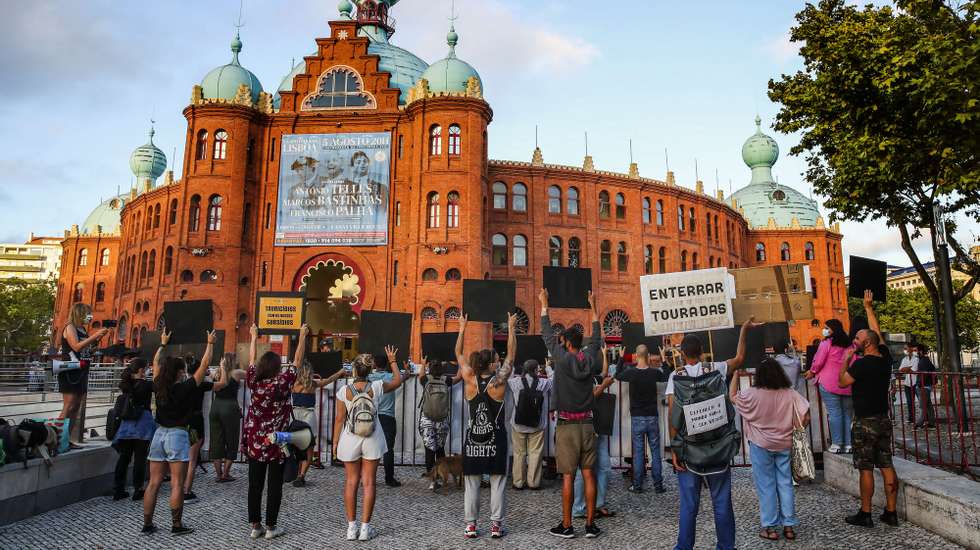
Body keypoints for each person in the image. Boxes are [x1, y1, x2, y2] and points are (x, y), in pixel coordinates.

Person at [667, 317, 758, 550]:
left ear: (682, 352)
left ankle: (684, 547)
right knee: (722, 503)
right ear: (702, 352)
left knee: (689, 506)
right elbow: (739, 359)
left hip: (688, 449)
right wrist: (744, 330)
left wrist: (675, 448)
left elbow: (673, 416)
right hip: (718, 446)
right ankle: (726, 546)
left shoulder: (676, 376)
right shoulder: (716, 368)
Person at [540, 289, 603, 539]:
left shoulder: (562, 359)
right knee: (589, 474)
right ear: (582, 343)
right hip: (588, 424)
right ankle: (590, 524)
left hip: (566, 426)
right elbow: (597, 337)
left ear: (566, 343)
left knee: (568, 476)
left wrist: (545, 304)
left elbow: (546, 335)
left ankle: (567, 525)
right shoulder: (589, 358)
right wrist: (593, 306)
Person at [142, 329, 213, 536]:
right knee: (177, 483)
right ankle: (176, 524)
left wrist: (163, 344)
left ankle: (147, 524)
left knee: (154, 482)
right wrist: (209, 343)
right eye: (182, 370)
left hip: (159, 434)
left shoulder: (158, 385)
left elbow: (155, 362)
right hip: (177, 435)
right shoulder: (185, 388)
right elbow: (204, 366)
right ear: (179, 372)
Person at [730, 358, 810, 541]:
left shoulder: (752, 394)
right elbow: (805, 414)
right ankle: (789, 526)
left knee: (766, 486)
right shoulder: (789, 393)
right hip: (784, 443)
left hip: (760, 444)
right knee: (785, 483)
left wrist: (735, 373)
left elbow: (732, 396)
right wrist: (797, 429)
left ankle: (770, 528)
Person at [241, 324, 308, 540]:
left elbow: (251, 361)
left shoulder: (254, 381)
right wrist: (302, 336)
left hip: (255, 441)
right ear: (278, 368)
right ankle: (271, 527)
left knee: (254, 483)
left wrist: (253, 337)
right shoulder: (282, 383)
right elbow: (297, 362)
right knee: (274, 485)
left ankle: (255, 525)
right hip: (276, 442)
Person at [839, 290, 899, 528]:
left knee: (865, 468)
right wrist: (868, 308)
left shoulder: (861, 365)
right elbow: (878, 334)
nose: (854, 341)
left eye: (857, 339)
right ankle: (891, 512)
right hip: (883, 419)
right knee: (886, 464)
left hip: (865, 422)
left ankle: (865, 513)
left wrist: (846, 359)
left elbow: (842, 381)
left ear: (865, 344)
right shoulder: (884, 359)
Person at [332, 347, 403, 541]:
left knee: (351, 482)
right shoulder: (378, 386)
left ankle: (351, 528)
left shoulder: (343, 390)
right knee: (369, 482)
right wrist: (393, 360)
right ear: (370, 370)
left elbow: (339, 419)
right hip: (373, 436)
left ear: (354, 370)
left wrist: (335, 442)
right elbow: (398, 381)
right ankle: (365, 529)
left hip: (350, 437)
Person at [455, 313, 515, 539]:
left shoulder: (469, 378)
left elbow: (459, 354)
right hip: (496, 439)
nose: (500, 360)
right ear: (492, 363)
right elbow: (512, 355)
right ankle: (496, 525)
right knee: (498, 482)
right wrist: (511, 328)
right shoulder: (498, 382)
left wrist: (462, 328)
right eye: (496, 359)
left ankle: (471, 525)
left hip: (474, 440)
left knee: (472, 482)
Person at [616, 344, 669, 494]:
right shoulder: (654, 373)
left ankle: (637, 485)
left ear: (635, 355)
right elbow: (667, 375)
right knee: (655, 451)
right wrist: (664, 358)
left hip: (637, 417)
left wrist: (621, 357)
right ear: (648, 355)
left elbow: (617, 375)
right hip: (652, 416)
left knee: (638, 453)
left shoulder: (631, 373)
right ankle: (658, 485)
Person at [573, 344, 616, 519]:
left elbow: (604, 373)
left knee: (605, 467)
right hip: (585, 428)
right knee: (583, 470)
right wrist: (605, 385)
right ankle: (579, 507)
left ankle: (598, 504)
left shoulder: (593, 376)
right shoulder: (579, 378)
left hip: (599, 428)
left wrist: (605, 354)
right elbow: (589, 399)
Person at [58, 302, 109, 447]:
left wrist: (96, 341)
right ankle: (55, 439)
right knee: (68, 406)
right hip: (70, 370)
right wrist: (95, 335)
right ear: (79, 313)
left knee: (76, 407)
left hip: (81, 369)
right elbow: (76, 346)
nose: (90, 317)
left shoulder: (82, 330)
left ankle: (66, 440)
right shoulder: (70, 327)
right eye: (88, 314)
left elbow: (85, 350)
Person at [291, 358, 346, 487]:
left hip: (294, 415)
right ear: (310, 372)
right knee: (309, 448)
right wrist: (340, 372)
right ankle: (302, 475)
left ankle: (294, 472)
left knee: (294, 446)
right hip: (308, 416)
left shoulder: (293, 384)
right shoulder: (313, 384)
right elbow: (329, 380)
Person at [804, 318, 854, 453]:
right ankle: (849, 444)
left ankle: (837, 444)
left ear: (833, 329)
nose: (824, 330)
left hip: (828, 382)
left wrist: (812, 371)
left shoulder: (826, 343)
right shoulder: (850, 345)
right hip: (847, 383)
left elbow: (819, 361)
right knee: (846, 414)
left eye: (827, 327)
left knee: (834, 413)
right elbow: (853, 362)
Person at [112, 358, 155, 501]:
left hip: (126, 426)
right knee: (140, 458)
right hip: (142, 425)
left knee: (124, 458)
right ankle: (138, 489)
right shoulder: (147, 385)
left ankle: (118, 490)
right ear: (142, 370)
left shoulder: (126, 385)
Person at [508, 358, 552, 491]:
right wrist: (548, 368)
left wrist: (511, 368)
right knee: (535, 453)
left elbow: (507, 377)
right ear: (535, 369)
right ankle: (533, 482)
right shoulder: (543, 383)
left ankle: (518, 482)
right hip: (537, 425)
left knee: (519, 453)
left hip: (518, 424)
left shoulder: (515, 382)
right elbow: (554, 379)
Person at [418, 358, 462, 486]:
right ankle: (443, 475)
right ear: (442, 371)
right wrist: (460, 363)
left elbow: (420, 375)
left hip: (427, 419)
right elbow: (459, 377)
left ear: (430, 370)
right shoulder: (446, 380)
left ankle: (433, 481)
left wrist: (422, 364)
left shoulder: (425, 380)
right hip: (442, 420)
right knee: (440, 449)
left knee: (429, 450)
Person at [181, 353, 213, 503]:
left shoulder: (182, 385)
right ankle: (186, 491)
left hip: (183, 422)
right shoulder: (202, 385)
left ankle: (179, 488)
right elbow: (222, 384)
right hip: (196, 421)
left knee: (182, 458)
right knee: (192, 460)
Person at [368, 353, 402, 487]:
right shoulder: (390, 377)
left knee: (371, 447)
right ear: (386, 364)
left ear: (375, 365)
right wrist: (395, 362)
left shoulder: (369, 378)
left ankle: (368, 478)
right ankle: (389, 478)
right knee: (388, 448)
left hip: (373, 415)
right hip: (388, 416)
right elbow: (401, 378)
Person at [210, 353, 244, 483]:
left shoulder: (215, 373)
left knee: (216, 440)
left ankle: (218, 474)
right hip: (230, 406)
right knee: (232, 439)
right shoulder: (236, 373)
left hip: (215, 406)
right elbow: (254, 373)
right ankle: (225, 474)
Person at [913, 343, 936, 428]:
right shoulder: (924, 360)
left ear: (920, 351)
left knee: (923, 406)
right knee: (928, 405)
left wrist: (919, 384)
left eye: (915, 350)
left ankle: (919, 423)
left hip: (924, 386)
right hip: (925, 385)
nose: (914, 352)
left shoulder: (924, 360)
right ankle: (931, 422)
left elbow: (924, 374)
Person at [897, 344, 919, 424]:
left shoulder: (916, 359)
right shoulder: (904, 359)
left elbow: (914, 370)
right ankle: (911, 418)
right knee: (909, 402)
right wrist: (908, 368)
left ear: (910, 349)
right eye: (904, 348)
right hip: (907, 383)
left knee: (921, 402)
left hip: (915, 382)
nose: (905, 350)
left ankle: (925, 418)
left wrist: (906, 369)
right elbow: (900, 370)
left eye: (906, 348)